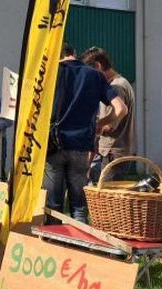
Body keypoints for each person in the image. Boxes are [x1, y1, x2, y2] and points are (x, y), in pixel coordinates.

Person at [44, 43, 127, 224]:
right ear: (73, 53)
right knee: (79, 206)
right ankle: (80, 245)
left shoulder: (50, 73)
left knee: (53, 206)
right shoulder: (95, 75)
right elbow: (121, 109)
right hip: (82, 146)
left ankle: (53, 246)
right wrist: (101, 124)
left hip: (54, 145)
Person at [82, 46, 136, 182]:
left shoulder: (115, 88)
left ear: (98, 66)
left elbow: (109, 126)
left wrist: (95, 125)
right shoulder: (120, 83)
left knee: (107, 196)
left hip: (113, 152)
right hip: (114, 151)